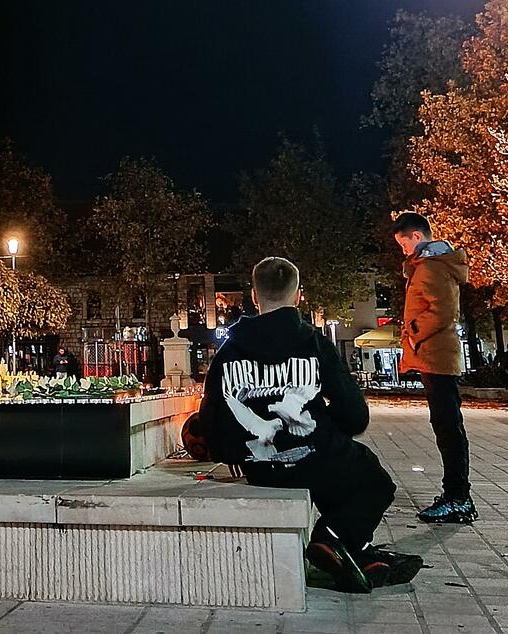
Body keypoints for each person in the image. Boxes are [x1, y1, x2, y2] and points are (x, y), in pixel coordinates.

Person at [195, 255, 421, 592]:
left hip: (260, 466)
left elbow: (211, 422)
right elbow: (355, 415)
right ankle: (333, 538)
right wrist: (325, 429)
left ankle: (350, 550)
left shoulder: (228, 352)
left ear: (255, 297)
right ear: (298, 295)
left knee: (338, 465)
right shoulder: (315, 343)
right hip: (315, 458)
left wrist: (236, 453)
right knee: (372, 478)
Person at [393, 211, 476, 523]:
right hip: (434, 355)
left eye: (403, 244)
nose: (403, 250)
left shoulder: (433, 267)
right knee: (445, 425)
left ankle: (458, 498)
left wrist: (413, 334)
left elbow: (442, 311)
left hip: (437, 355)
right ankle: (455, 493)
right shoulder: (428, 266)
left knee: (448, 427)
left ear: (417, 236)